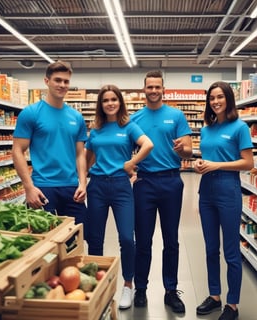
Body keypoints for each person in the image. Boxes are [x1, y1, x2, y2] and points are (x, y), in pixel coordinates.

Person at [85, 84, 153, 310]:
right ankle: (98, 285)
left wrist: (132, 163)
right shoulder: (95, 130)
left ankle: (127, 285)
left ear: (120, 102)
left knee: (126, 237)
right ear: (101, 105)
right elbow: (87, 159)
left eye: (114, 99)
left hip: (122, 186)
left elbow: (148, 144)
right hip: (97, 187)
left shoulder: (129, 126)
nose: (110, 103)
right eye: (106, 100)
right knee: (95, 238)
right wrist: (80, 181)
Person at [130, 70, 193, 314]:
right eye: (150, 87)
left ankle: (170, 290)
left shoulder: (176, 116)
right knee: (143, 240)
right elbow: (126, 152)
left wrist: (182, 150)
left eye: (157, 87)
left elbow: (187, 151)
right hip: (144, 183)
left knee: (171, 240)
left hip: (171, 182)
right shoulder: (134, 118)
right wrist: (130, 169)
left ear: (163, 89)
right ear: (144, 89)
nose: (154, 91)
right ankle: (141, 288)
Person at [194, 81, 254, 320]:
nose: (216, 101)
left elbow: (248, 163)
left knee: (230, 251)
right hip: (206, 191)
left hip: (228, 190)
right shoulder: (206, 129)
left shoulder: (240, 127)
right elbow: (208, 156)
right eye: (212, 98)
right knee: (210, 249)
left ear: (228, 99)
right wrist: (200, 163)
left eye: (220, 97)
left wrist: (217, 165)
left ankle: (232, 304)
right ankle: (215, 295)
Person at [12, 60, 88, 226]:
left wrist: (83, 183)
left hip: (72, 188)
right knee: (45, 243)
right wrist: (28, 187)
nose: (62, 85)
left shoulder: (76, 117)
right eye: (58, 80)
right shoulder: (31, 113)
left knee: (77, 240)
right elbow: (17, 150)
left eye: (66, 81)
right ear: (47, 81)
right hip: (42, 188)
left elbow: (80, 154)